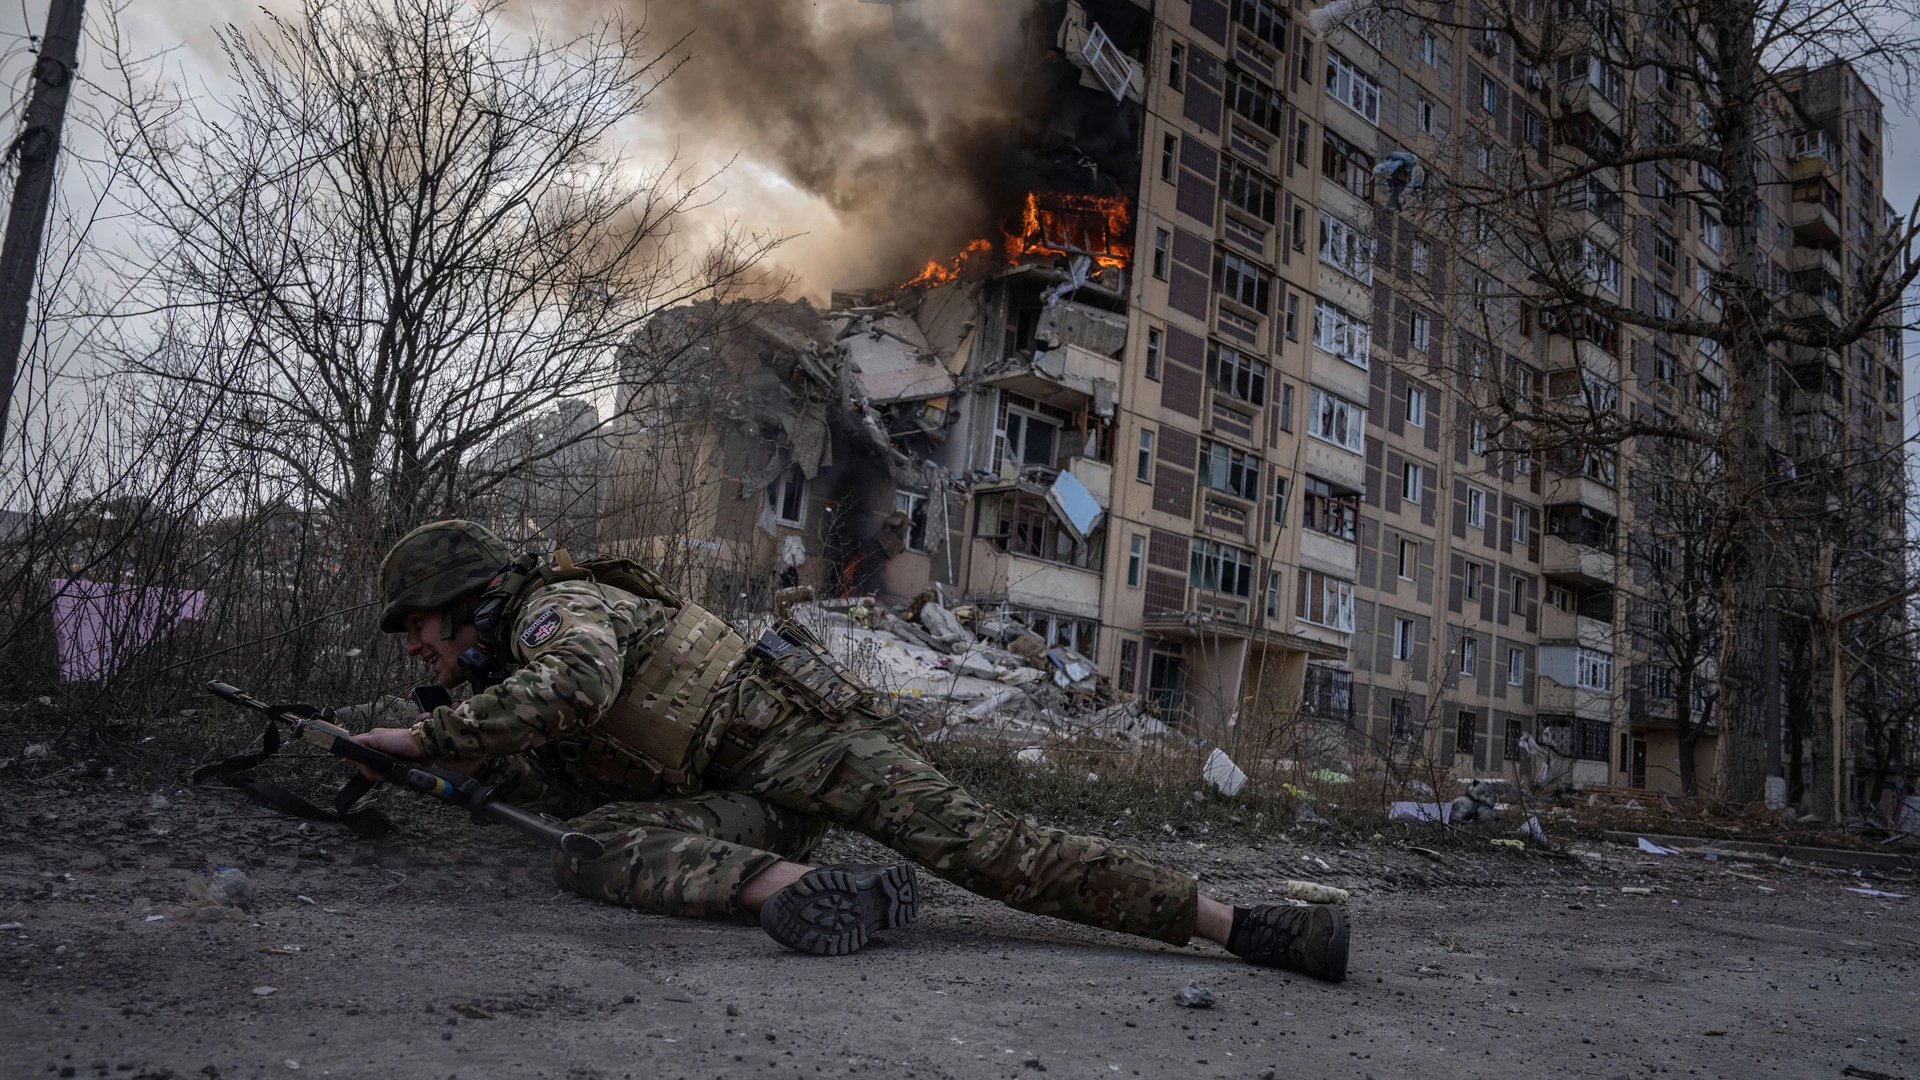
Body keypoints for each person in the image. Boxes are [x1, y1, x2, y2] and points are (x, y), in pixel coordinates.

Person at [350, 520, 1350, 978]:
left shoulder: (552, 613)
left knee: (996, 853)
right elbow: (571, 767)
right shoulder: (502, 665)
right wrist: (450, 761)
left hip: (813, 748)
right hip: (752, 808)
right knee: (588, 845)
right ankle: (795, 890)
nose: (417, 647)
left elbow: (578, 683)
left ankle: (1246, 928)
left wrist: (424, 732)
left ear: (469, 600)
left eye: (420, 625)